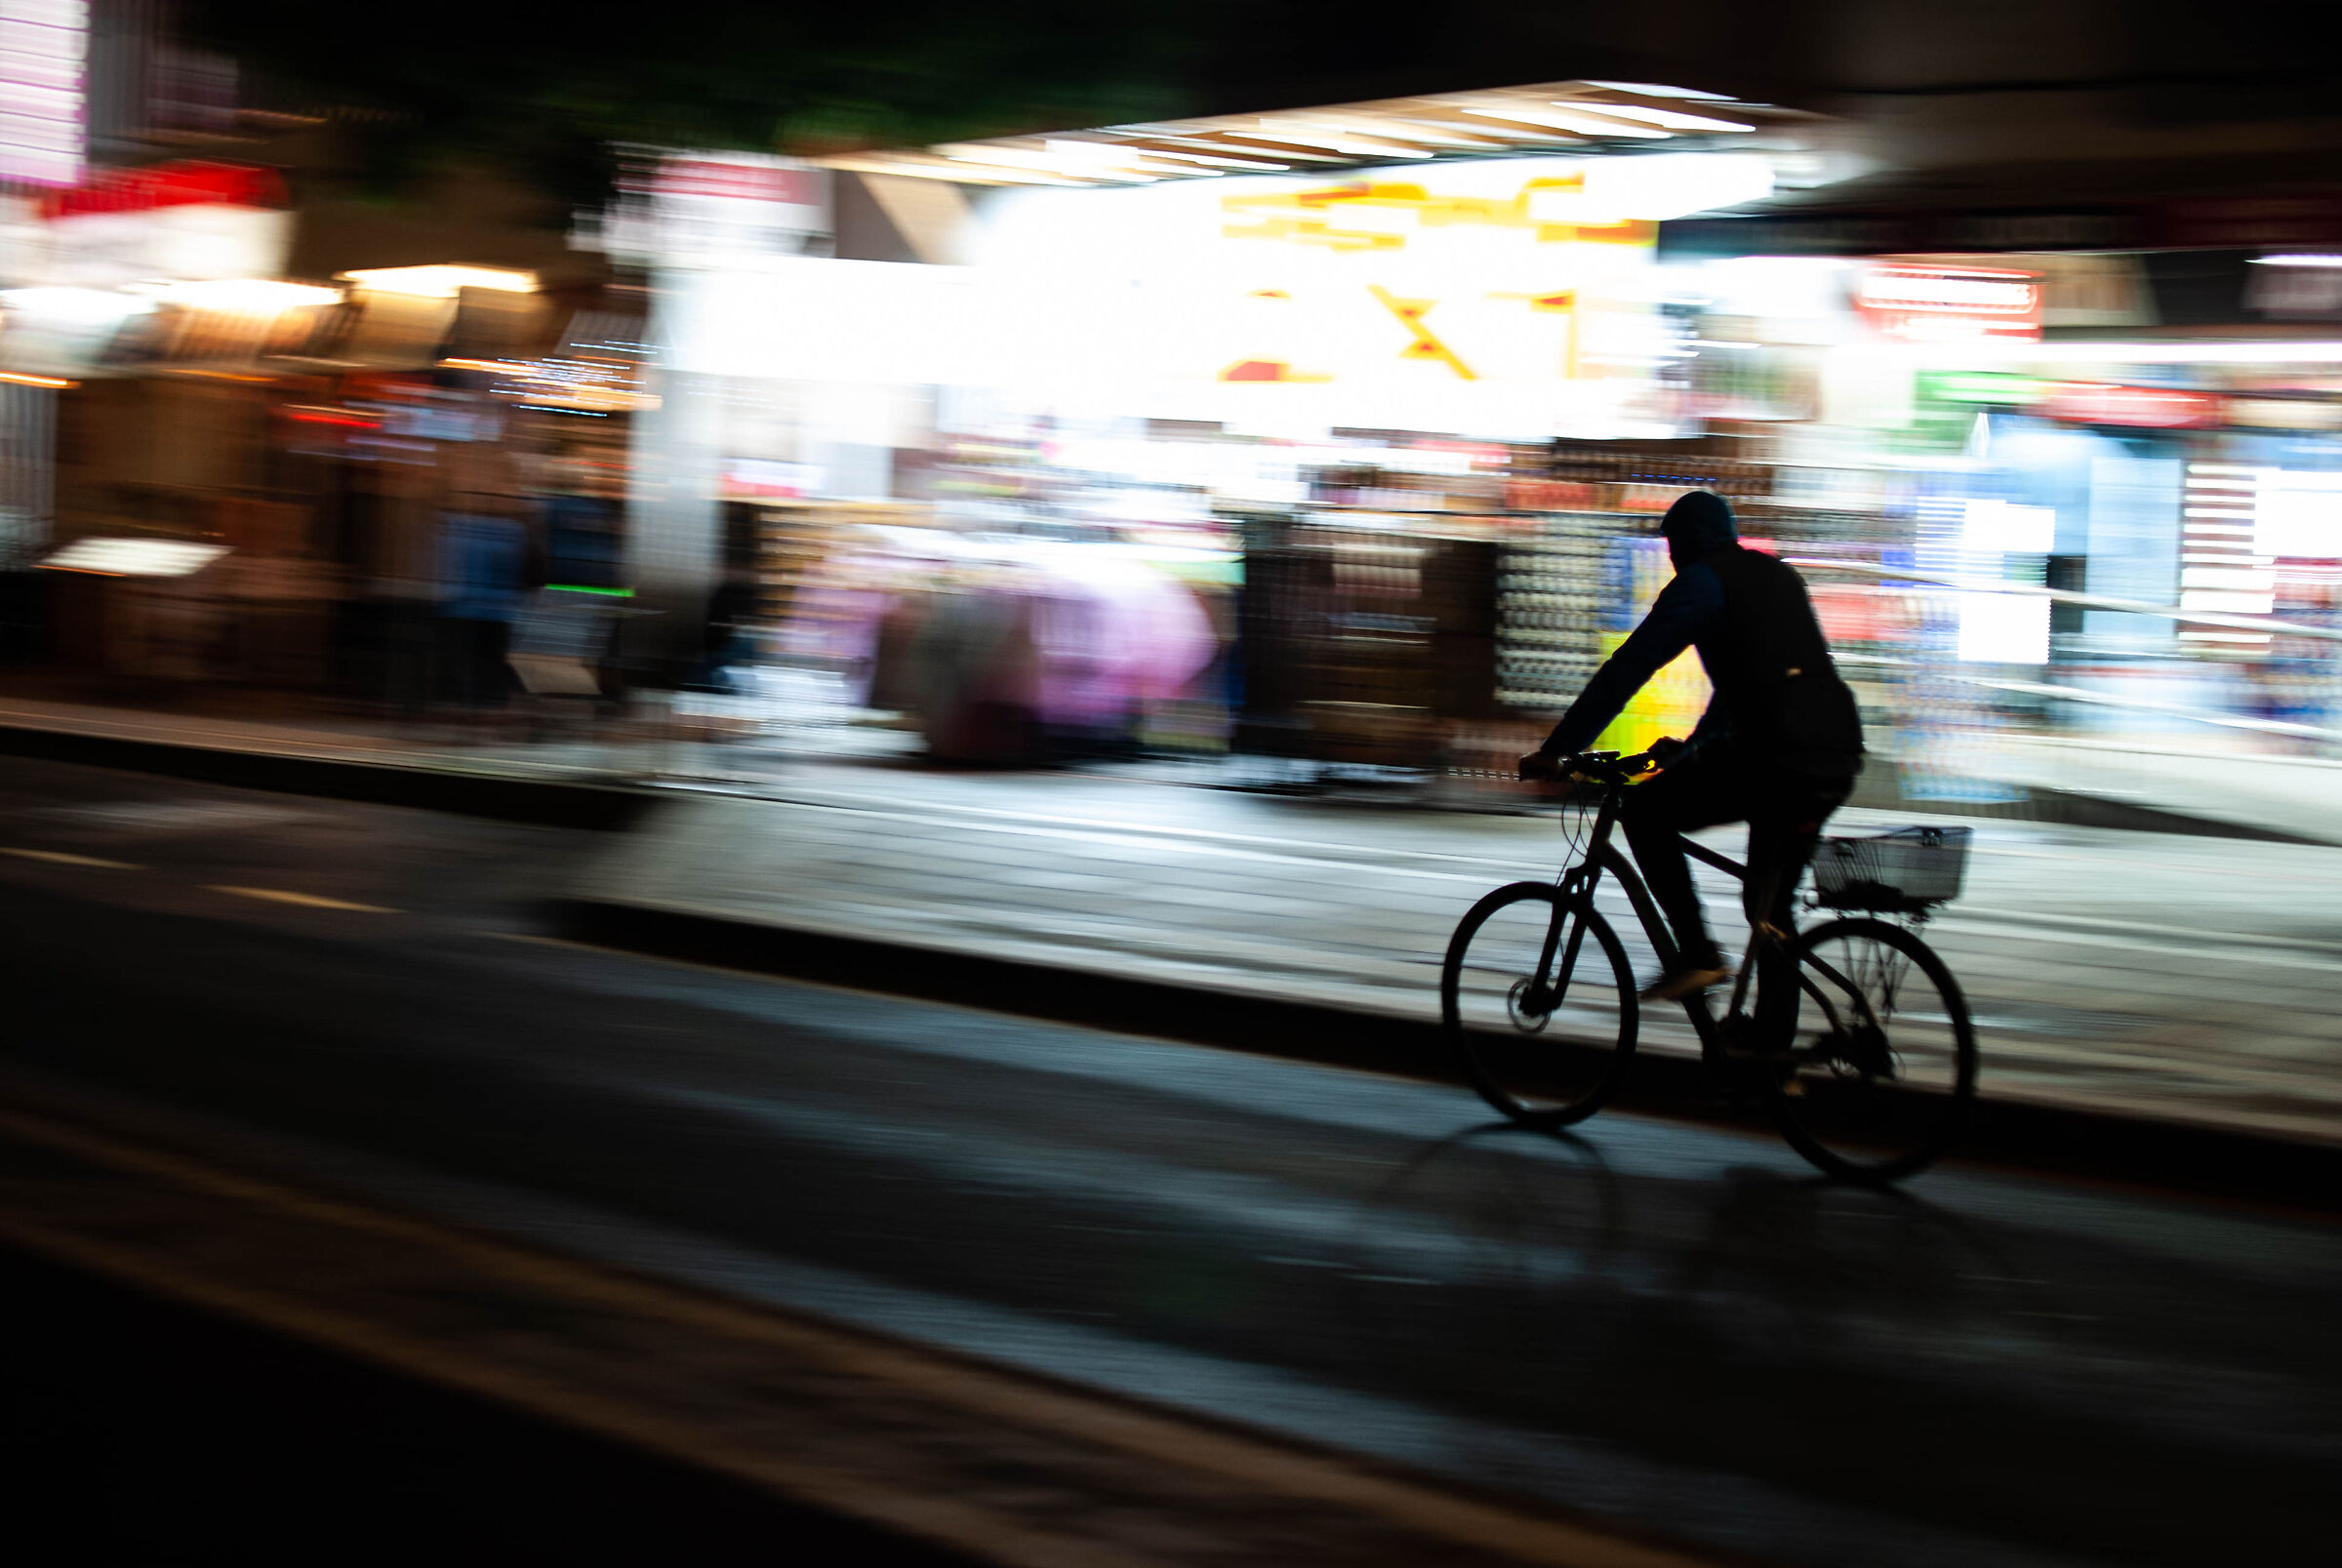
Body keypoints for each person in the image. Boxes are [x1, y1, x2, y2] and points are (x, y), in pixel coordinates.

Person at [1518, 491, 1864, 1043]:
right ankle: (1772, 1052)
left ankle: (1698, 953)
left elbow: (1629, 667)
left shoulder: (1701, 582)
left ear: (1683, 543)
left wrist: (1561, 747)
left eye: (1673, 546)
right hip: (1835, 754)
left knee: (1644, 813)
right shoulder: (1776, 575)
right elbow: (1748, 686)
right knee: (1768, 908)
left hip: (1776, 756)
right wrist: (1687, 750)